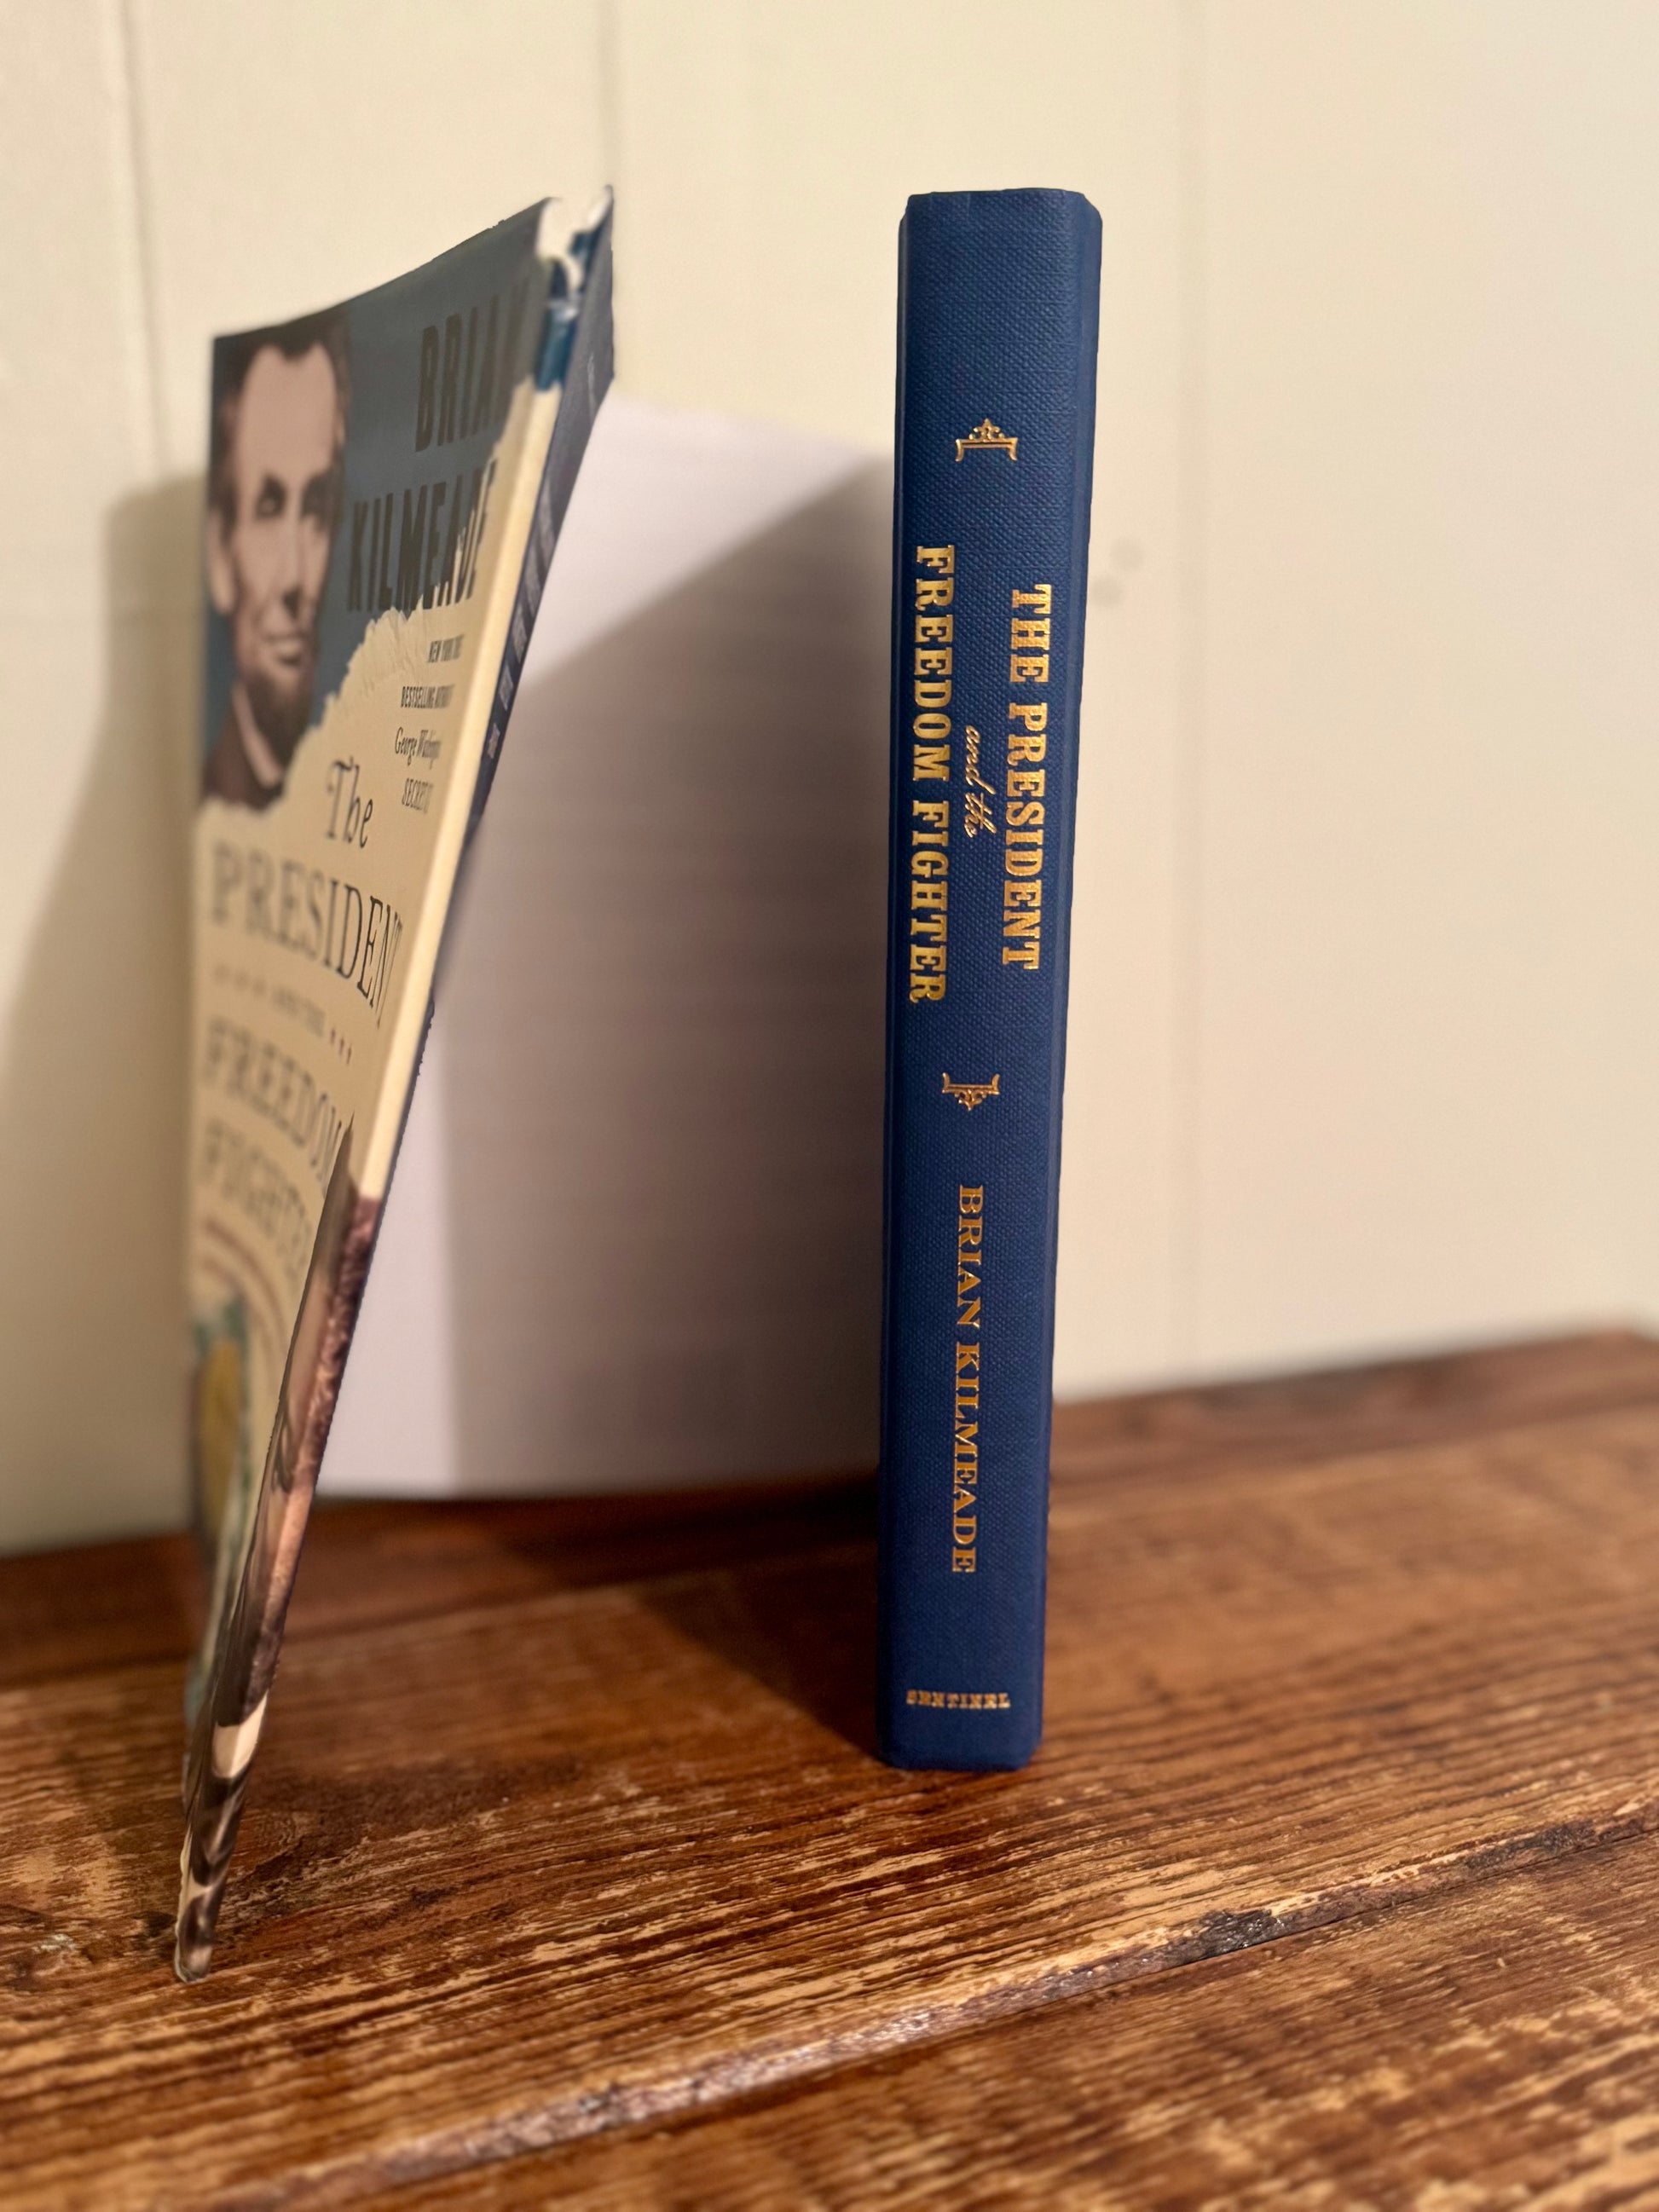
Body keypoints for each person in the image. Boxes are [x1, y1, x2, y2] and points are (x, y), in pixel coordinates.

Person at [201, 311, 350, 807]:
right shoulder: (216, 800)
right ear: (222, 553)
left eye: (315, 509)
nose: (295, 578)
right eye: (268, 508)